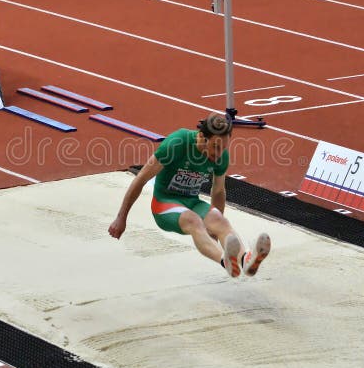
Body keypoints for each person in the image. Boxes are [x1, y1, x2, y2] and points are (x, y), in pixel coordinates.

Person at [109, 113, 271, 278]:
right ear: (202, 136)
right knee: (193, 220)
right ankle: (226, 262)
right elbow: (141, 178)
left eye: (224, 148)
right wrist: (121, 217)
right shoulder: (178, 142)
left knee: (220, 220)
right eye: (215, 147)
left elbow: (218, 191)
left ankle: (245, 261)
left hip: (192, 202)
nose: (219, 154)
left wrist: (215, 230)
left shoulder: (221, 156)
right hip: (164, 203)